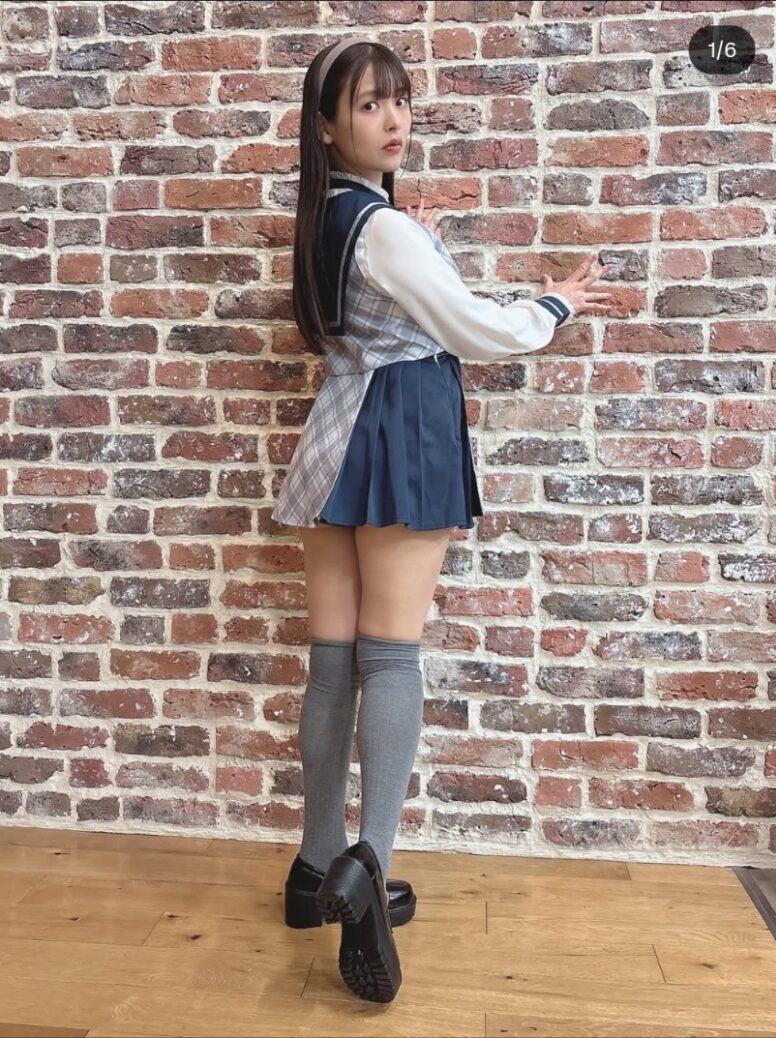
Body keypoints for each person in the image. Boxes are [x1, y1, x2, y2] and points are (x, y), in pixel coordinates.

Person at [274, 35, 614, 1003]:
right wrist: (553, 303)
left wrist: (413, 239)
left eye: (401, 100)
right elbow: (474, 328)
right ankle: (368, 873)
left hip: (335, 433)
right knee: (390, 657)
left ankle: (314, 865)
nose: (393, 119)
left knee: (333, 658)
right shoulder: (383, 229)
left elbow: (377, 304)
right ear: (327, 125)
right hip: (400, 430)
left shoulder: (330, 216)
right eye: (369, 104)